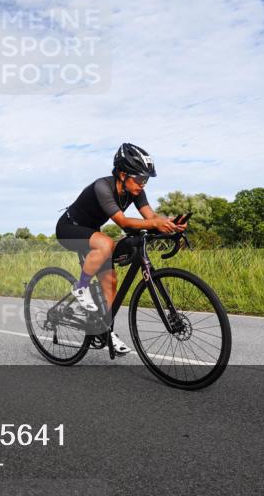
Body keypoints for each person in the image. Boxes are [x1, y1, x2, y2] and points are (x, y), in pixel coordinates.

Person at [55, 142, 186, 355]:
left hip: (93, 234)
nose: (143, 184)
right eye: (140, 178)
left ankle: (104, 330)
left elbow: (151, 218)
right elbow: (123, 222)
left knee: (111, 282)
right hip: (69, 229)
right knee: (106, 242)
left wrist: (171, 224)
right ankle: (80, 287)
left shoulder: (135, 191)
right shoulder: (102, 187)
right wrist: (155, 224)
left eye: (146, 179)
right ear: (123, 174)